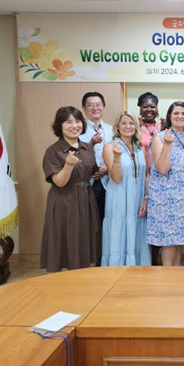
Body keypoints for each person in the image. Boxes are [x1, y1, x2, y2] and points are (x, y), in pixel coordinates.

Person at [39, 106, 99, 272]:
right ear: (60, 126)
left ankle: (81, 280)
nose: (74, 126)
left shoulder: (87, 148)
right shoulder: (53, 151)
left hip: (86, 200)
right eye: (68, 122)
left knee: (83, 241)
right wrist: (68, 165)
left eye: (78, 121)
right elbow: (59, 181)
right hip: (64, 202)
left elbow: (92, 171)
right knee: (63, 241)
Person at [146, 101, 184, 266]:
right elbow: (162, 168)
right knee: (169, 242)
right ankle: (166, 280)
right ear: (170, 116)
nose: (180, 116)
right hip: (167, 199)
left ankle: (175, 277)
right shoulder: (160, 137)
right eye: (176, 113)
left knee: (178, 242)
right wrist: (168, 145)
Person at [101, 112, 150, 266]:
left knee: (136, 233)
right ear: (117, 126)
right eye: (124, 123)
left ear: (136, 127)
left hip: (138, 200)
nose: (128, 127)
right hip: (119, 199)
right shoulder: (110, 147)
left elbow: (147, 175)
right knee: (119, 233)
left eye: (131, 123)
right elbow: (115, 177)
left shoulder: (140, 148)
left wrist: (146, 198)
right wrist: (116, 156)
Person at [78, 91, 113, 266]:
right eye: (90, 105)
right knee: (86, 223)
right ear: (84, 108)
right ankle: (86, 258)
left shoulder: (112, 129)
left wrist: (108, 168)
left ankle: (102, 258)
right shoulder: (78, 129)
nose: (95, 108)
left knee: (105, 222)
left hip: (108, 183)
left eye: (98, 104)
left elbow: (117, 153)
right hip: (87, 183)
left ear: (103, 107)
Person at [137, 92, 163, 168]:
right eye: (145, 107)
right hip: (141, 171)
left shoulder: (163, 126)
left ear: (157, 109)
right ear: (140, 110)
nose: (149, 109)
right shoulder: (135, 127)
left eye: (152, 106)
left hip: (160, 171)